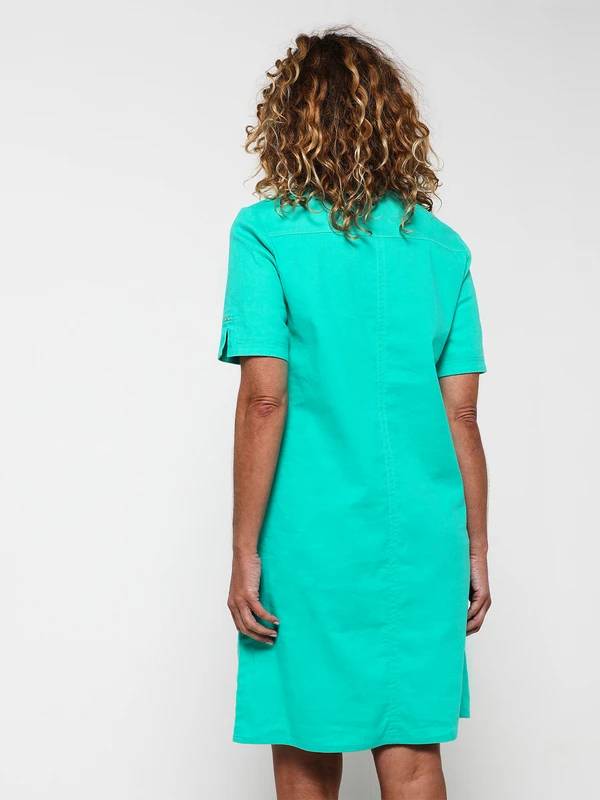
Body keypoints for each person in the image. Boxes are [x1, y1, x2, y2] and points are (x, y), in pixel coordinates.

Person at [218, 28, 491, 800]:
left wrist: (244, 547)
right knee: (412, 749)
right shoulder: (443, 248)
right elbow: (462, 419)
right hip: (422, 540)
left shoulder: (264, 233)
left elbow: (265, 397)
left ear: (289, 122)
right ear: (393, 124)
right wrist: (474, 548)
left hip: (310, 538)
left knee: (308, 744)